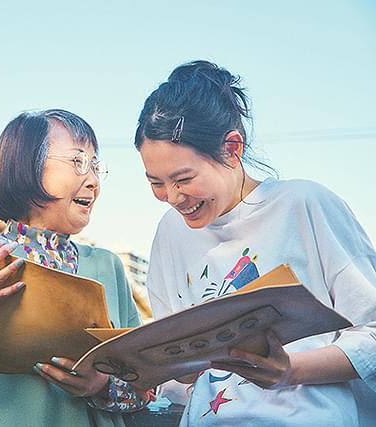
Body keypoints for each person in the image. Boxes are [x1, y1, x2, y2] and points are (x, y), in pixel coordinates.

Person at [134, 60, 376, 426]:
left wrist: (291, 370)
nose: (172, 197)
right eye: (156, 183)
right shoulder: (170, 232)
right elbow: (177, 368)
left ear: (232, 148)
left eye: (183, 178)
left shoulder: (303, 204)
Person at [0, 109, 152, 426]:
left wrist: (100, 385)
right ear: (27, 166)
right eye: (79, 162)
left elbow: (145, 389)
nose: (94, 181)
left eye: (96, 166)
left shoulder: (108, 267)